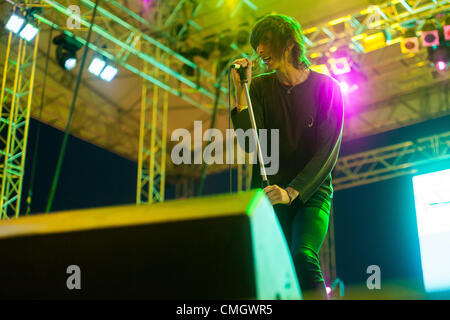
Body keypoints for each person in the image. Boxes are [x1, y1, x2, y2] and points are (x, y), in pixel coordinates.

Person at [231, 14, 344, 300]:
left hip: (310, 194)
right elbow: (249, 142)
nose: (259, 50)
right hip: (270, 193)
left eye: (266, 42)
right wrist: (240, 90)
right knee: (267, 270)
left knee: (302, 255)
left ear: (290, 43)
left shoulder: (327, 88)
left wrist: (292, 191)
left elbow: (326, 153)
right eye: (256, 44)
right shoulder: (258, 87)